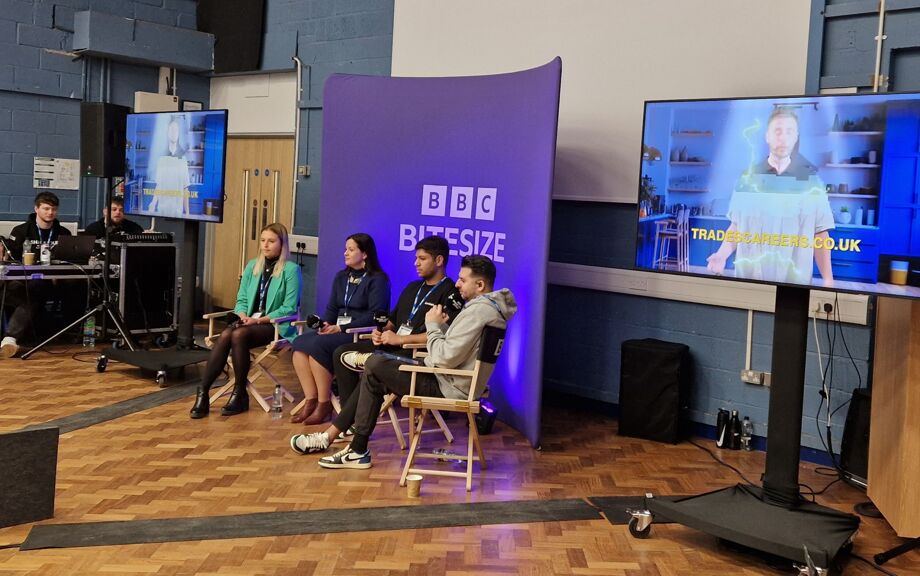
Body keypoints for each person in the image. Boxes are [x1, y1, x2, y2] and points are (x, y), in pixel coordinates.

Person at [290, 255, 517, 470]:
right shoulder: (489, 310)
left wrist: (433, 325)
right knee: (375, 372)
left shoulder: (478, 312)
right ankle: (342, 441)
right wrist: (441, 330)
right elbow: (452, 351)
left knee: (375, 367)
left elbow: (445, 357)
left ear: (480, 285)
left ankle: (349, 444)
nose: (457, 284)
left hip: (447, 385)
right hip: (448, 378)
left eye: (463, 280)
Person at [290, 236, 463, 436]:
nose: (416, 263)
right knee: (341, 353)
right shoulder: (412, 288)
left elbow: (443, 337)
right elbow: (392, 321)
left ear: (439, 260)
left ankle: (352, 420)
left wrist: (401, 339)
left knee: (371, 362)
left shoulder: (451, 294)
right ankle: (350, 415)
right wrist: (379, 332)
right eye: (416, 258)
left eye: (422, 259)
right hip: (391, 345)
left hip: (415, 354)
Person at [706, 107, 835, 287]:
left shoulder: (812, 182)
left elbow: (820, 233)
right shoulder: (747, 179)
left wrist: (828, 279)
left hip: (792, 286)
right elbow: (736, 226)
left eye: (789, 132)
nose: (783, 138)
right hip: (748, 282)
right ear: (767, 136)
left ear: (796, 137)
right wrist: (721, 255)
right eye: (777, 131)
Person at [189, 222, 301, 418]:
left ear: (282, 244)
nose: (265, 245)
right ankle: (204, 391)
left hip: (275, 326)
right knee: (228, 334)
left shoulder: (291, 270)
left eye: (271, 241)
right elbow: (241, 299)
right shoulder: (252, 266)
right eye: (263, 240)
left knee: (238, 334)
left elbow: (289, 307)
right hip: (248, 321)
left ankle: (239, 392)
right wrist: (242, 316)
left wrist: (258, 321)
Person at [288, 233, 391, 425]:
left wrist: (341, 328)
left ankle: (324, 403)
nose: (345, 253)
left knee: (319, 345)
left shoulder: (378, 280)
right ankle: (310, 400)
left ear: (365, 254)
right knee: (300, 343)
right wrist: (326, 324)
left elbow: (374, 315)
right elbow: (332, 308)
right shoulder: (341, 277)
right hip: (338, 330)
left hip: (360, 334)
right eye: (345, 249)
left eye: (351, 249)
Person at [0, 192, 73, 358]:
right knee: (31, 290)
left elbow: (69, 260)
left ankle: (70, 332)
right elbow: (11, 261)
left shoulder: (64, 233)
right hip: (23, 280)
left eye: (53, 209)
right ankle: (10, 338)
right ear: (36, 209)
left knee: (75, 286)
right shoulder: (21, 231)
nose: (50, 212)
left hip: (52, 281)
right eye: (46, 208)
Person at [149, 116, 190, 218]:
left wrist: (187, 213)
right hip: (162, 209)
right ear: (167, 133)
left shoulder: (182, 159)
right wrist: (153, 203)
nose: (173, 133)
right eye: (171, 130)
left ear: (179, 133)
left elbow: (185, 188)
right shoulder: (161, 158)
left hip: (177, 210)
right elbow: (158, 185)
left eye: (176, 130)